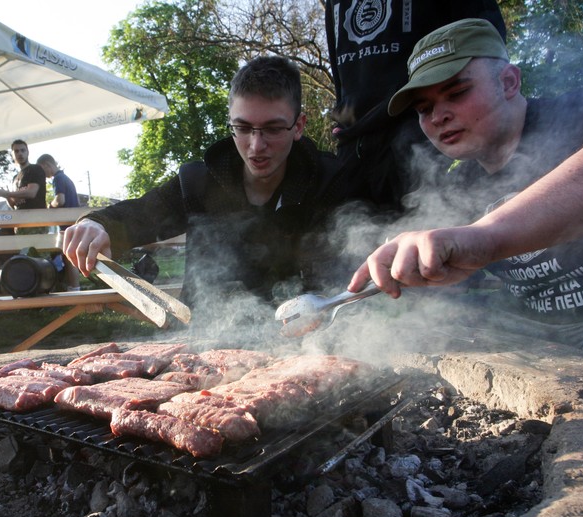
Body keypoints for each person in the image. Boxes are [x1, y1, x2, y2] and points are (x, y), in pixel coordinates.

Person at [349, 18, 583, 358]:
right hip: (534, 327)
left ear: (508, 82)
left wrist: (487, 235)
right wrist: (412, 272)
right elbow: (455, 289)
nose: (437, 116)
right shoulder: (458, 188)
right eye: (424, 108)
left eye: (457, 93)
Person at [64, 56, 379, 336]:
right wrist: (97, 224)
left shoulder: (329, 182)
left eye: (272, 129)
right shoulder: (198, 181)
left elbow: (344, 278)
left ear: (298, 127)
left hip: (303, 346)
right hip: (202, 346)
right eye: (243, 128)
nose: (256, 146)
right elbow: (141, 214)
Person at [325, 1, 505, 210]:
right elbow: (337, 63)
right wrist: (342, 112)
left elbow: (484, 36)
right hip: (353, 141)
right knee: (349, 225)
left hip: (416, 126)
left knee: (434, 219)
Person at [38, 153, 81, 291]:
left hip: (67, 224)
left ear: (47, 165)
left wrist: (50, 205)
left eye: (42, 170)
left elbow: (60, 200)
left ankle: (74, 288)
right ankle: (73, 286)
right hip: (73, 221)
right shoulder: (66, 178)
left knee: (69, 257)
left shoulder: (58, 178)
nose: (43, 175)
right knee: (70, 255)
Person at [0, 139, 47, 234]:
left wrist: (7, 193)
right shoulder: (15, 178)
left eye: (23, 150)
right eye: (16, 151)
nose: (20, 154)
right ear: (12, 155)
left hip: (36, 221)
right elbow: (14, 204)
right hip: (20, 223)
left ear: (28, 152)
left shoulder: (35, 169)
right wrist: (6, 196)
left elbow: (31, 193)